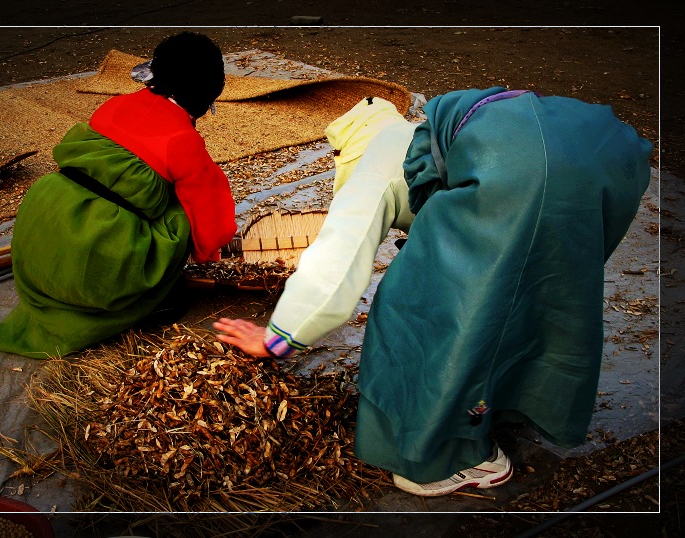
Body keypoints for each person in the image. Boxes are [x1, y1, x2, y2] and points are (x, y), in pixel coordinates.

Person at [213, 87, 653, 497]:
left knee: (422, 299)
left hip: (525, 164)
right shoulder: (442, 134)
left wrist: (280, 335)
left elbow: (339, 253)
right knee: (539, 289)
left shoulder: (380, 155)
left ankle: (447, 456)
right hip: (612, 155)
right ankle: (507, 404)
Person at [0, 32, 237, 359]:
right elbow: (212, 220)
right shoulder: (183, 142)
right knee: (181, 215)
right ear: (206, 93)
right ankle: (152, 300)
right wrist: (206, 255)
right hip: (90, 254)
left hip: (42, 221)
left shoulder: (114, 105)